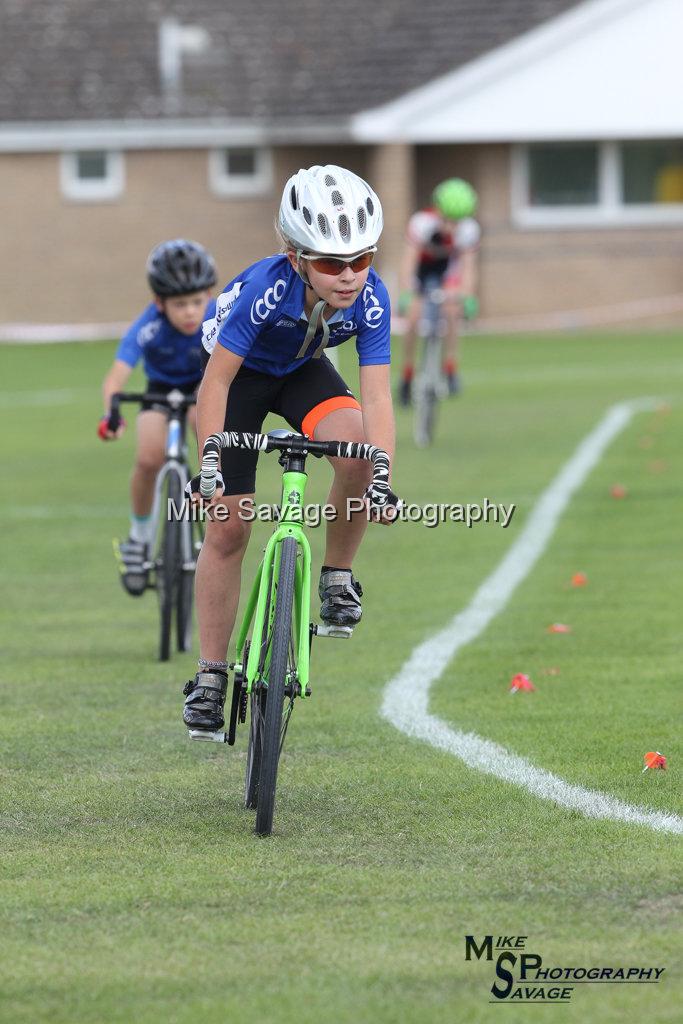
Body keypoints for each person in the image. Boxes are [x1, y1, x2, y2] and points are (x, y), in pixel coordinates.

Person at [182, 164, 400, 733]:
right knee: (229, 527)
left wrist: (382, 475)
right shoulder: (266, 289)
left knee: (356, 452)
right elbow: (217, 385)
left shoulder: (373, 298)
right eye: (331, 263)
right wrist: (209, 458)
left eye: (362, 259)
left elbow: (376, 399)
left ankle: (336, 574)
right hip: (239, 379)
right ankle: (210, 674)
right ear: (295, 256)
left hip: (303, 369)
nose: (349, 276)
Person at [98, 239, 217, 594]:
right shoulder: (148, 325)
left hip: (203, 387)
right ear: (159, 304)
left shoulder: (218, 319)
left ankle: (215, 510)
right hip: (159, 390)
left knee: (204, 426)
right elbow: (116, 377)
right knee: (148, 457)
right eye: (179, 305)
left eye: (198, 301)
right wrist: (112, 414)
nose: (190, 313)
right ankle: (138, 539)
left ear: (209, 295)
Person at [397, 177, 480, 405]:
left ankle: (451, 368)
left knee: (452, 308)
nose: (451, 227)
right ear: (438, 212)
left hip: (446, 274)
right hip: (421, 272)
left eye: (457, 221)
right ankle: (407, 375)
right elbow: (408, 262)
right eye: (447, 220)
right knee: (414, 315)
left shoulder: (469, 230)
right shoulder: (421, 223)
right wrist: (406, 293)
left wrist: (468, 297)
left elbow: (468, 269)